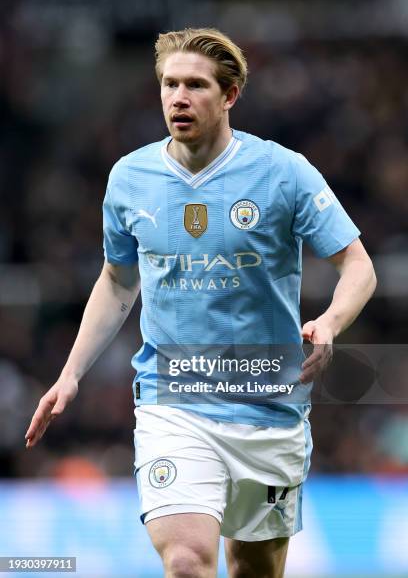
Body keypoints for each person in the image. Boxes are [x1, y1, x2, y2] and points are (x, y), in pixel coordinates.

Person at [25, 28, 376, 578]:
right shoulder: (129, 178)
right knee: (187, 560)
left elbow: (358, 265)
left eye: (195, 85)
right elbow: (118, 282)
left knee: (254, 567)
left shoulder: (283, 171)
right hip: (174, 399)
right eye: (169, 84)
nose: (178, 98)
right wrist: (70, 374)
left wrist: (330, 321)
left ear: (230, 95)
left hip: (269, 404)